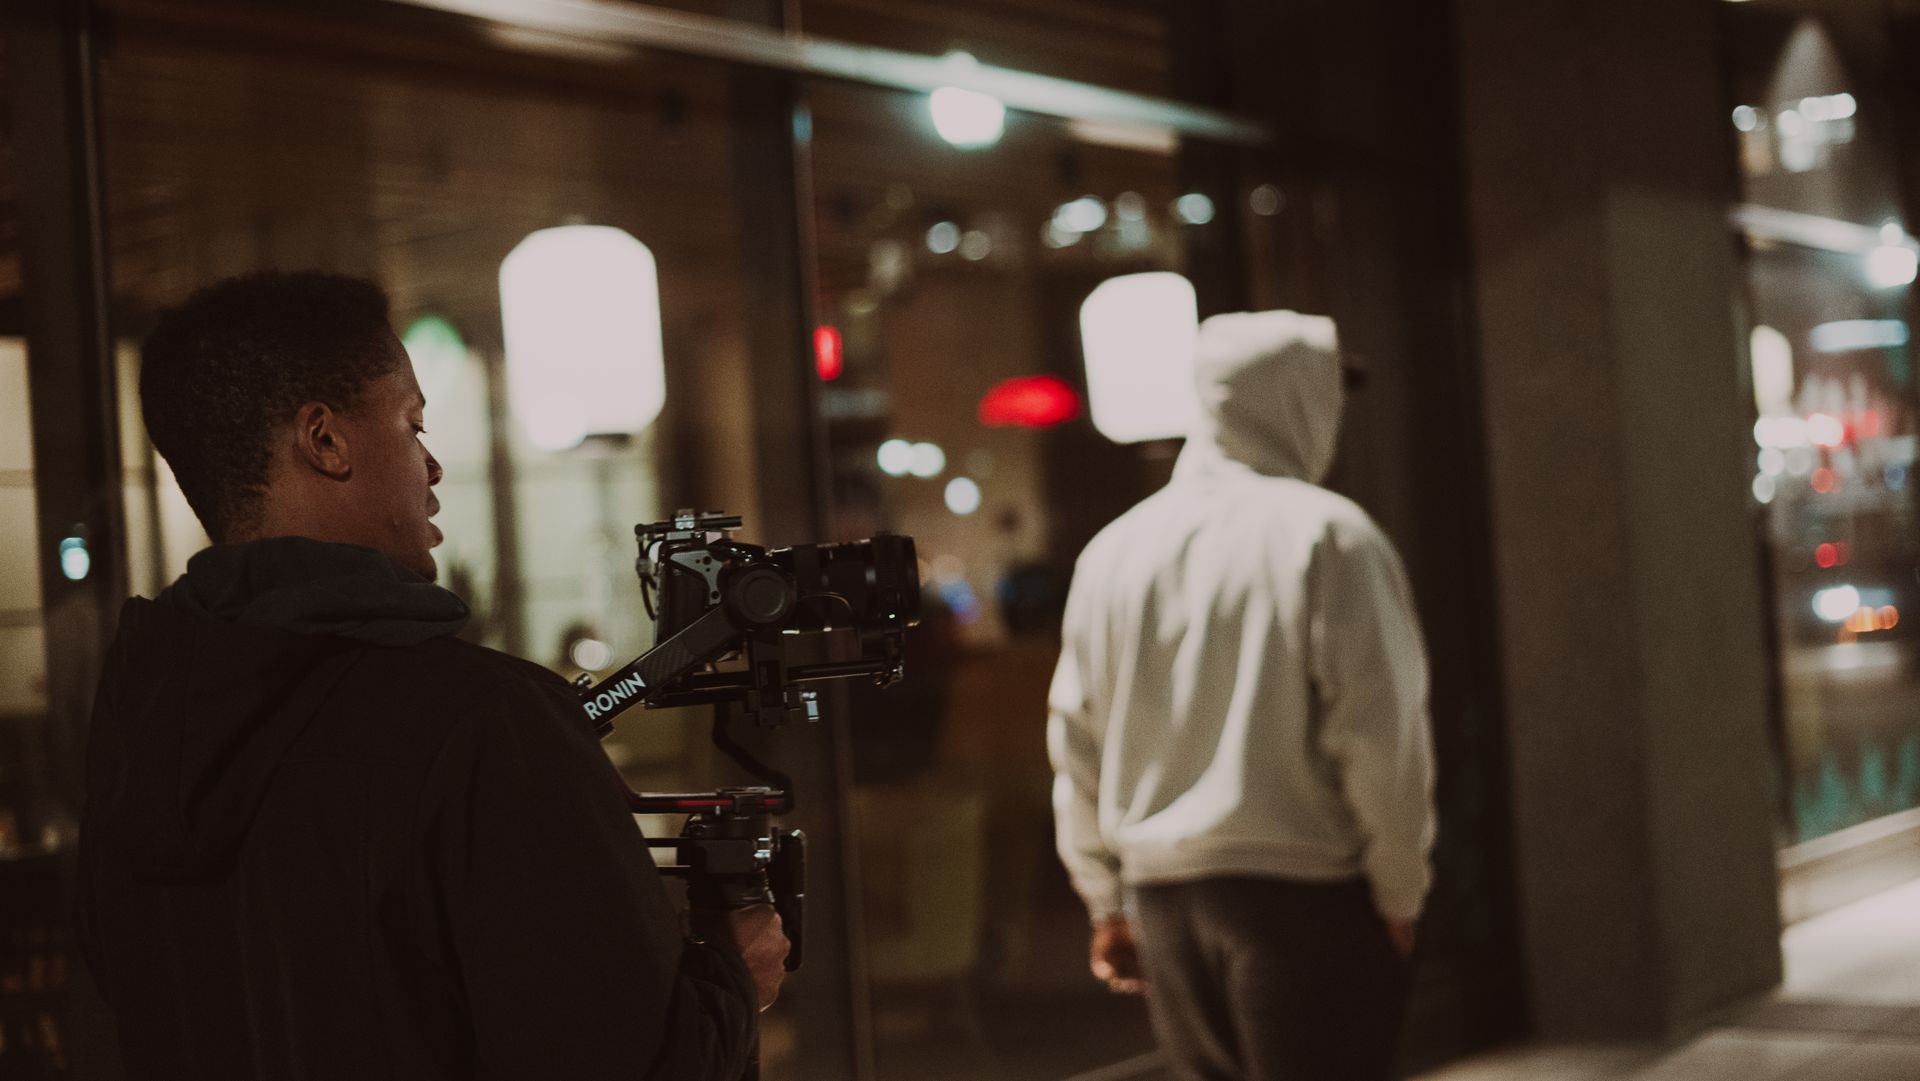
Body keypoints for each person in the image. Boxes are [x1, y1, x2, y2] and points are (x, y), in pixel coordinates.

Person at [75, 271, 787, 1080]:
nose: (434, 464)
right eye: (413, 424)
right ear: (325, 440)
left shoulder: (137, 728)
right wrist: (735, 977)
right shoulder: (486, 722)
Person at [1047, 310, 1435, 1081]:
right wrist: (1401, 888)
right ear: (1300, 397)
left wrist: (1106, 899)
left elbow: (1075, 741)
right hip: (1306, 895)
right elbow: (1380, 733)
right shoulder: (1329, 536)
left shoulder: (1115, 549)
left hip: (1165, 900)